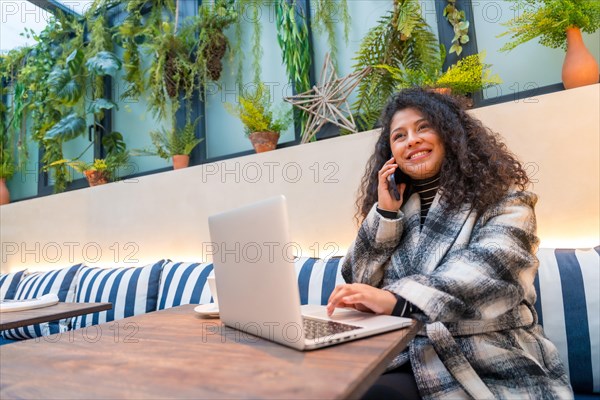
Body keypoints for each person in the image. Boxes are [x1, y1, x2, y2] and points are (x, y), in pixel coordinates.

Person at [326, 88, 573, 399]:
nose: (411, 140)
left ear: (449, 134)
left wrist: (397, 301)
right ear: (391, 152)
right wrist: (385, 213)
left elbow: (492, 273)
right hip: (407, 355)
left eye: (423, 127)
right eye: (399, 136)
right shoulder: (398, 210)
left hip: (490, 359)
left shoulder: (506, 200)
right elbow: (358, 281)